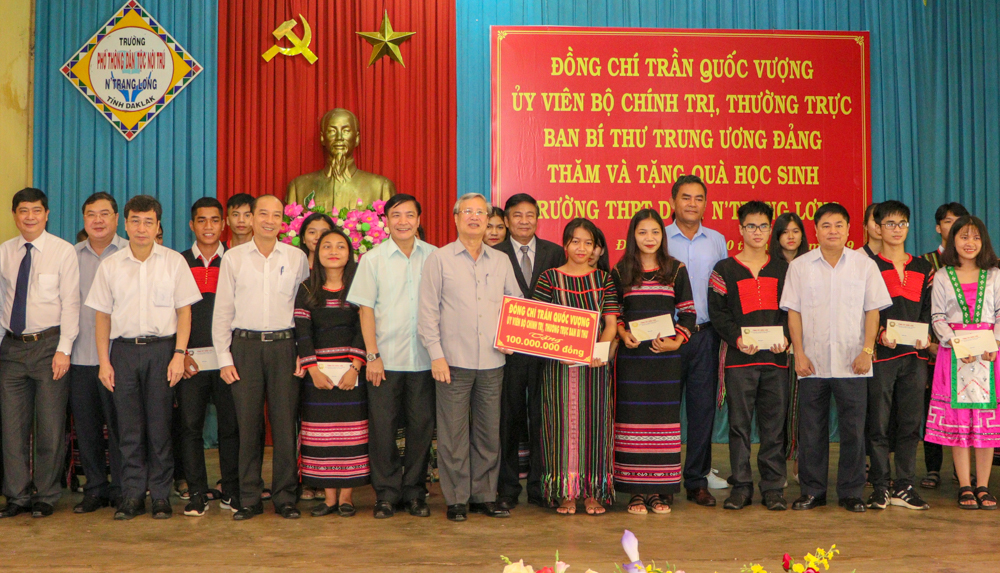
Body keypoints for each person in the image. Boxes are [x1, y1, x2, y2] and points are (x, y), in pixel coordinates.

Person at [86, 195, 202, 520]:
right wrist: (103, 362)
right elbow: (102, 318)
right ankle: (133, 495)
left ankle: (161, 496)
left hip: (163, 351)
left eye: (148, 222)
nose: (141, 228)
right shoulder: (111, 266)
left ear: (158, 225)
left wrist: (179, 355)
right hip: (122, 352)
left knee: (160, 426)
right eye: (135, 221)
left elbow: (185, 312)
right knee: (129, 429)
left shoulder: (173, 262)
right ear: (126, 224)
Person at [780, 202, 891, 513]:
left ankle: (851, 492)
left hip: (852, 362)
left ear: (848, 229)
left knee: (854, 431)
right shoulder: (800, 267)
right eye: (826, 225)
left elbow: (873, 311)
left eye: (839, 225)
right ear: (815, 231)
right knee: (811, 430)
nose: (832, 231)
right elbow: (794, 313)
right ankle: (813, 491)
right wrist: (798, 353)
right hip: (811, 363)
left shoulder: (864, 265)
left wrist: (867, 351)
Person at [418, 193, 521, 522]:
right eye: (468, 212)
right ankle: (457, 499)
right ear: (456, 218)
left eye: (482, 212)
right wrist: (436, 355)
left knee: (489, 433)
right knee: (453, 435)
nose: (475, 217)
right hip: (452, 363)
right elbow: (427, 312)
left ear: (490, 219)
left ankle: (484, 496)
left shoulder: (501, 260)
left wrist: (513, 336)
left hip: (493, 362)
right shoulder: (439, 259)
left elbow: (515, 305)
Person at [213, 195, 310, 521]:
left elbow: (304, 312)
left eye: (276, 215)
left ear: (283, 220)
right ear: (251, 218)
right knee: (248, 427)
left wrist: (304, 354)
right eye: (263, 214)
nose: (270, 220)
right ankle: (249, 498)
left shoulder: (297, 258)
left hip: (285, 348)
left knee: (285, 427)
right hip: (245, 348)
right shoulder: (234, 258)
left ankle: (285, 497)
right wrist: (224, 357)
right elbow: (223, 309)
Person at [347, 194, 437, 519]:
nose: (403, 221)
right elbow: (365, 310)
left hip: (426, 360)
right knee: (383, 429)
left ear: (418, 219)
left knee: (421, 428)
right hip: (384, 361)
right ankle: (385, 493)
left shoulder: (436, 257)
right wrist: (372, 355)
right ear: (386, 220)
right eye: (396, 215)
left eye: (409, 215)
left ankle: (414, 492)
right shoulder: (373, 260)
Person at [0, 188, 80, 519]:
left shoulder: (62, 252)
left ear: (47, 214)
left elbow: (71, 304)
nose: (29, 216)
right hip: (11, 349)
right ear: (15, 215)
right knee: (12, 427)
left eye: (36, 210)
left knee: (49, 426)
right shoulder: (4, 252)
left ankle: (46, 494)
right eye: (23, 211)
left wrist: (64, 350)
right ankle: (16, 495)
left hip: (50, 347)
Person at [533, 219, 618, 516]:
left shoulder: (604, 280)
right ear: (565, 244)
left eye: (588, 242)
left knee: (595, 427)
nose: (581, 248)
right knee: (559, 428)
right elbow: (538, 323)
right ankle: (565, 493)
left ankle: (592, 493)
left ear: (595, 247)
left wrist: (599, 351)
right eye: (575, 241)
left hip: (594, 367)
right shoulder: (549, 278)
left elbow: (610, 325)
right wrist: (558, 350)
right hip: (558, 367)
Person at [613, 209, 695, 515]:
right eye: (642, 232)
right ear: (633, 236)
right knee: (632, 424)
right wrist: (622, 333)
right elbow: (614, 312)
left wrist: (677, 340)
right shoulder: (621, 271)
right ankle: (636, 493)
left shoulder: (676, 270)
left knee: (662, 425)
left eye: (655, 232)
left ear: (663, 236)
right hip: (632, 361)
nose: (649, 239)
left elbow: (688, 312)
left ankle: (659, 492)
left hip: (665, 361)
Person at [709, 201, 790, 511]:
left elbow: (792, 310)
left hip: (775, 361)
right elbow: (718, 313)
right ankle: (741, 486)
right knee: (739, 426)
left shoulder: (783, 268)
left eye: (763, 226)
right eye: (751, 226)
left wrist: (784, 336)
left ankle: (772, 487)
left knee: (773, 427)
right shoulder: (725, 269)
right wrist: (737, 338)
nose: (757, 232)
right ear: (740, 229)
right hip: (739, 360)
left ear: (771, 229)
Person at [492, 193, 565, 510]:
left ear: (538, 218)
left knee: (543, 421)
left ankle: (540, 486)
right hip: (506, 354)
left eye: (530, 215)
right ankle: (507, 487)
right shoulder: (492, 254)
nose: (524, 221)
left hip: (546, 354)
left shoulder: (556, 252)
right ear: (506, 221)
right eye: (517, 215)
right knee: (507, 420)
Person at [925, 215, 1000, 509]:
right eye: (964, 237)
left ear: (984, 242)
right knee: (959, 422)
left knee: (985, 422)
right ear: (952, 240)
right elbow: (937, 318)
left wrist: (995, 343)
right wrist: (956, 344)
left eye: (976, 238)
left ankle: (983, 485)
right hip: (954, 355)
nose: (970, 244)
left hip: (988, 356)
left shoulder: (994, 274)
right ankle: (965, 486)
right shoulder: (942, 275)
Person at [863, 200, 934, 510]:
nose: (895, 229)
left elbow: (931, 311)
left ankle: (904, 485)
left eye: (901, 223)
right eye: (889, 223)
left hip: (915, 358)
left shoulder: (923, 267)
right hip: (882, 356)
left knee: (909, 423)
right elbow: (862, 311)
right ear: (878, 227)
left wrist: (928, 336)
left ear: (908, 226)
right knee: (877, 423)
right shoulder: (869, 267)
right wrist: (879, 335)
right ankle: (880, 486)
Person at [294, 228, 369, 518]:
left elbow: (365, 328)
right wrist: (312, 370)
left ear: (350, 253)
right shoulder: (306, 289)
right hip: (318, 378)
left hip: (352, 375)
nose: (333, 251)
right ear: (317, 252)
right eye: (327, 246)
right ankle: (329, 498)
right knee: (321, 436)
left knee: (351, 436)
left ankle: (347, 497)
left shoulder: (359, 287)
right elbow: (303, 332)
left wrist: (355, 367)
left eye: (340, 246)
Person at [665, 174, 728, 507]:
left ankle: (696, 480)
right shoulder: (658, 238)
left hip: (705, 336)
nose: (692, 204)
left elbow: (724, 288)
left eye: (699, 198)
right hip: (667, 338)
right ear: (673, 201)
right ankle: (662, 477)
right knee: (665, 411)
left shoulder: (717, 241)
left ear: (706, 203)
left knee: (703, 411)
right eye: (686, 197)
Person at [176, 198, 240, 517]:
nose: (209, 227)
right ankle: (197, 492)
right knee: (190, 427)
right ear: (192, 225)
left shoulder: (235, 260)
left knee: (231, 426)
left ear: (223, 224)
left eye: (215, 220)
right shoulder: (179, 262)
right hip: (192, 361)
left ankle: (231, 489)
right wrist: (180, 352)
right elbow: (172, 311)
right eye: (202, 220)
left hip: (227, 360)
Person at [70, 192, 128, 514]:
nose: (98, 220)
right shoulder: (71, 255)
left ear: (116, 218)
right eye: (91, 214)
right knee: (87, 428)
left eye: (104, 214)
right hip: (79, 356)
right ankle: (94, 488)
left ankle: (121, 487)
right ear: (84, 220)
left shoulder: (129, 253)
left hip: (118, 359)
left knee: (120, 427)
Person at [919, 202, 969, 490]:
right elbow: (921, 309)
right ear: (939, 227)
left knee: (967, 408)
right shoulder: (924, 263)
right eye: (949, 221)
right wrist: (929, 344)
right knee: (932, 409)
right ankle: (933, 468)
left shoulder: (982, 264)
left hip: (969, 353)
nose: (955, 227)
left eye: (960, 221)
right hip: (934, 351)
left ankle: (962, 472)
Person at [286, 108, 396, 213]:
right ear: (322, 138)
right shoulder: (299, 187)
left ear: (357, 138)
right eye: (332, 131)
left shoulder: (381, 187)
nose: (339, 137)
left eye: (346, 131)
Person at [770, 212, 809, 478]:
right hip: (775, 346)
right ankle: (777, 467)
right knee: (778, 408)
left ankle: (800, 462)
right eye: (785, 232)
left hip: (806, 346)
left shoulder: (811, 264)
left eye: (796, 231)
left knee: (803, 408)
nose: (791, 236)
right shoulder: (770, 266)